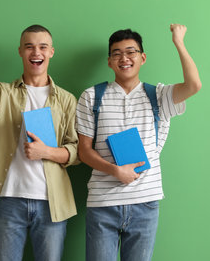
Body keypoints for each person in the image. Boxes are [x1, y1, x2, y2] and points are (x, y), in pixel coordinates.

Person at [76, 24, 201, 261]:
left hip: (145, 203)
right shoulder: (92, 96)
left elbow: (194, 85)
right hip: (103, 204)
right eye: (117, 53)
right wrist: (115, 170)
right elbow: (84, 151)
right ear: (109, 61)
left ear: (142, 58)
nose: (124, 58)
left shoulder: (160, 95)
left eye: (131, 52)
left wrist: (179, 42)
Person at [0, 25, 79, 261]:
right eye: (29, 47)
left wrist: (46, 151)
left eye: (42, 47)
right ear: (20, 51)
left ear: (52, 52)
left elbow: (76, 152)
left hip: (52, 204)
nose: (36, 52)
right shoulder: (4, 91)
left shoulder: (67, 100)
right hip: (8, 199)